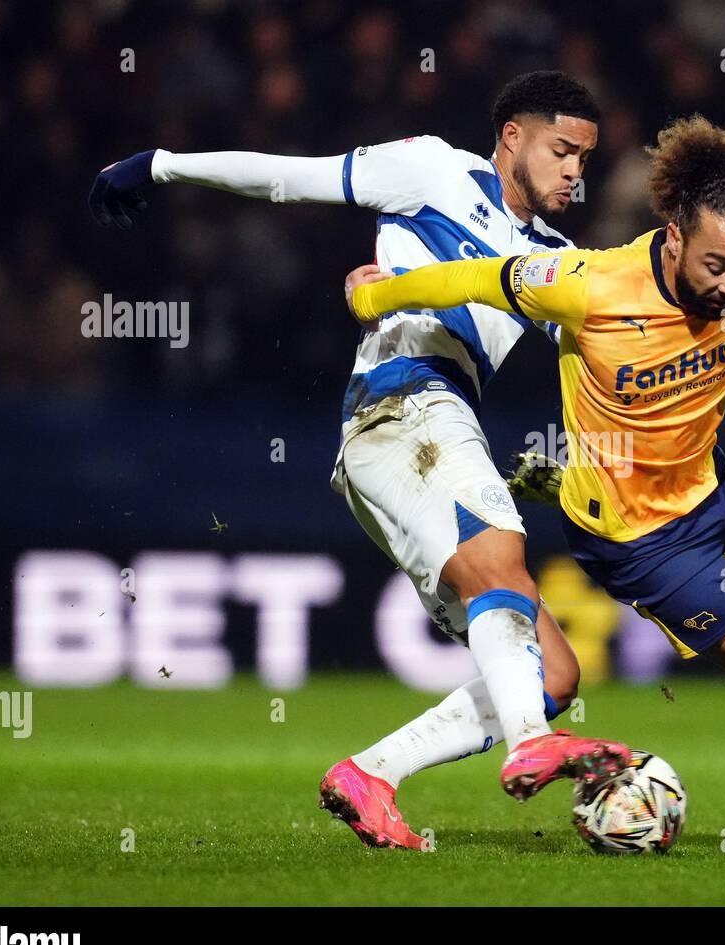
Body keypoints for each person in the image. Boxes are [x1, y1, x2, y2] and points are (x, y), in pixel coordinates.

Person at [347, 115, 725, 849]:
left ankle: (586, 485)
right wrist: (378, 297)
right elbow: (477, 277)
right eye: (717, 267)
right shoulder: (587, 284)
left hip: (705, 479)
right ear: (675, 238)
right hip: (639, 538)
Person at [89, 71, 633, 849]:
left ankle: (372, 774)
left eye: (585, 157)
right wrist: (163, 164)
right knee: (502, 559)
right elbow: (288, 178)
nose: (576, 171)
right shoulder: (435, 170)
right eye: (563, 150)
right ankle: (529, 747)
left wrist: (722, 348)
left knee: (552, 674)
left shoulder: (557, 259)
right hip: (405, 403)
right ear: (512, 135)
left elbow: (625, 339)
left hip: (414, 441)